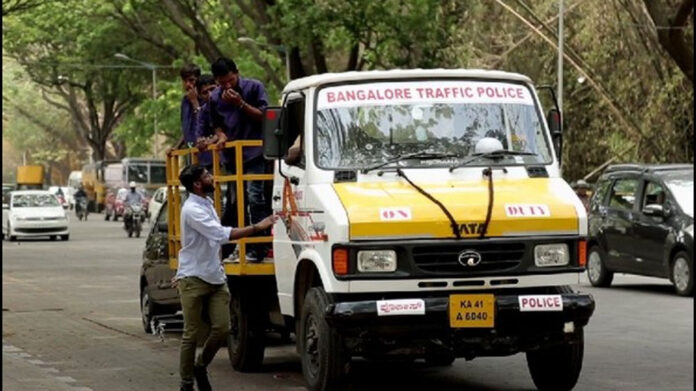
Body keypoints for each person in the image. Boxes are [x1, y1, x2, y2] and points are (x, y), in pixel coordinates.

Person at [175, 164, 276, 391]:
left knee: (222, 328)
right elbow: (220, 235)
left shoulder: (207, 203)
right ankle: (186, 382)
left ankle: (200, 366)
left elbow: (213, 243)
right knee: (191, 334)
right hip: (193, 278)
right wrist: (257, 227)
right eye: (208, 176)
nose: (213, 178)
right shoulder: (192, 210)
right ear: (197, 184)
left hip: (215, 276)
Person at [209, 56, 270, 261]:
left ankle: (259, 247)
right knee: (235, 203)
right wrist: (221, 135)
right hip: (232, 157)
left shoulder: (254, 88)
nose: (227, 86)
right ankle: (236, 247)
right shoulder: (215, 97)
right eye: (222, 83)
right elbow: (215, 123)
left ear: (237, 73)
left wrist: (240, 103)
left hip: (253, 153)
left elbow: (265, 116)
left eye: (230, 81)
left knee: (255, 197)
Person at [168, 63, 202, 156]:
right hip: (191, 151)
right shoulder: (185, 102)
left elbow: (203, 123)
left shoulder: (205, 97)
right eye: (185, 81)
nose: (188, 84)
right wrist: (177, 146)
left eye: (191, 80)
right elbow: (187, 128)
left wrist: (195, 102)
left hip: (206, 151)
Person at [194, 74, 221, 171]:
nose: (210, 94)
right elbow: (199, 136)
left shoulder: (229, 102)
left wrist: (213, 139)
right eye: (205, 92)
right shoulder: (203, 111)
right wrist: (201, 142)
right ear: (200, 95)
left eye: (212, 89)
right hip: (212, 161)